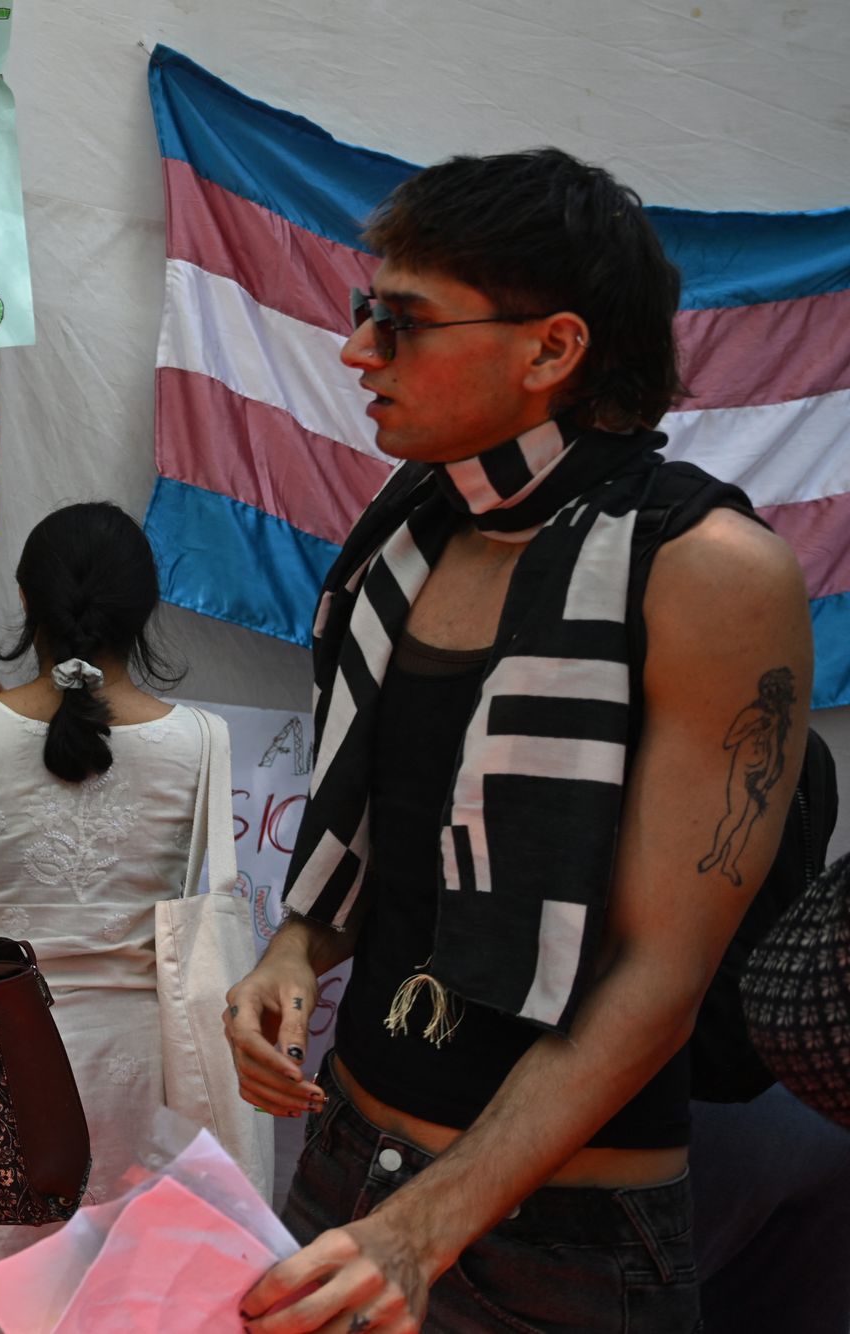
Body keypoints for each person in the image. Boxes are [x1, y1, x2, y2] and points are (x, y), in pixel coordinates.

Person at [223, 149, 813, 1332]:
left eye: (399, 323)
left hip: (555, 1250)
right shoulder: (408, 524)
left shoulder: (704, 571)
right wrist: (293, 948)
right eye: (360, 314)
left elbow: (660, 970)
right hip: (349, 1173)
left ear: (549, 349)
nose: (355, 352)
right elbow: (380, 820)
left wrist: (425, 1224)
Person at [0, 501, 193, 1329]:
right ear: (144, 611)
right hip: (134, 1071)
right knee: (123, 1301)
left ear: (27, 602)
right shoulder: (200, 742)